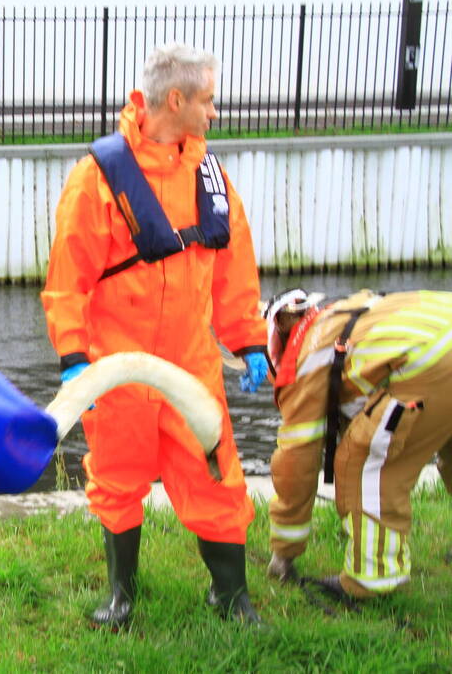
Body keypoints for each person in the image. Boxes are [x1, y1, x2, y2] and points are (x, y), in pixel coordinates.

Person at [41, 43, 269, 627]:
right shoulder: (97, 178)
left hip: (193, 370)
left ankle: (231, 597)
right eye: (209, 100)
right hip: (120, 370)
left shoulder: (211, 178)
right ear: (177, 99)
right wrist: (73, 357)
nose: (215, 112)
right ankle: (122, 597)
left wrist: (248, 341)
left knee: (218, 477)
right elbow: (69, 278)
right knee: (116, 479)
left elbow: (233, 270)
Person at [263, 288, 452, 599]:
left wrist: (284, 551)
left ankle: (372, 579)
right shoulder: (343, 312)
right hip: (437, 329)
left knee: (362, 461)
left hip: (431, 357)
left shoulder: (307, 361)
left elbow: (296, 463)